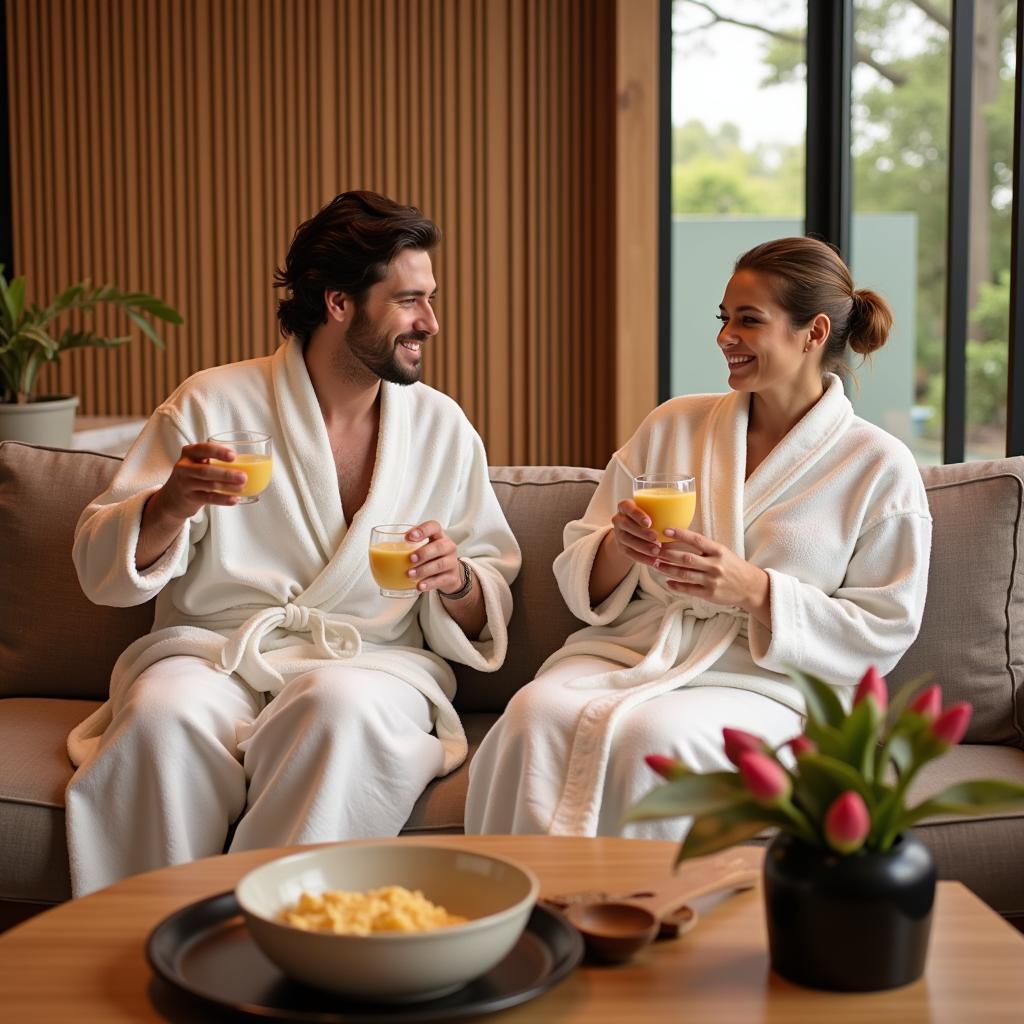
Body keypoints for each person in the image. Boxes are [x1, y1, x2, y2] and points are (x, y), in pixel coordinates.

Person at [67, 191, 520, 896]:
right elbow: (103, 568)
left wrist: (454, 578)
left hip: (368, 661)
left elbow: (486, 593)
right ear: (340, 303)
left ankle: (271, 932)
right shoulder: (211, 404)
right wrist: (170, 504)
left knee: (337, 707)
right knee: (162, 716)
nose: (430, 322)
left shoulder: (442, 427)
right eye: (408, 301)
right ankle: (148, 934)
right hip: (218, 652)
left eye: (430, 299)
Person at [465, 236, 931, 838]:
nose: (724, 337)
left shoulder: (877, 466)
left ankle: (642, 914)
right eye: (724, 318)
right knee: (535, 713)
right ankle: (525, 913)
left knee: (655, 740)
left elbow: (884, 625)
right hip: (637, 651)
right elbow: (583, 558)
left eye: (748, 320)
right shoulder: (674, 423)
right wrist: (618, 549)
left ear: (813, 333)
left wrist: (756, 590)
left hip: (769, 681)